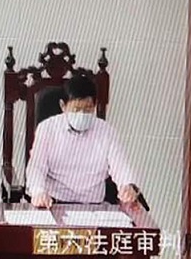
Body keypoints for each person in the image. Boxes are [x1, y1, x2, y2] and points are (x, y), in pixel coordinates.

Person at [25, 76, 140, 208]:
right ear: (63, 106)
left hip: (94, 206)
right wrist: (38, 192)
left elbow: (120, 165)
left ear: (95, 106)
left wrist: (128, 186)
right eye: (76, 109)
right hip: (54, 203)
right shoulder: (47, 128)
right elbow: (37, 166)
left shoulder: (106, 131)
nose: (82, 114)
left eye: (88, 109)